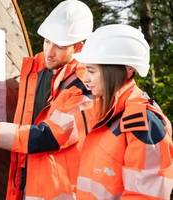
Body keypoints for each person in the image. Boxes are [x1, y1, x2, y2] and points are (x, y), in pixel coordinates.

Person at [0, 0, 94, 199]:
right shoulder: (37, 69)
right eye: (47, 41)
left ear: (78, 47)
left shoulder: (85, 86)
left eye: (59, 46)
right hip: (27, 181)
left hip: (59, 191)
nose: (49, 51)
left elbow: (48, 136)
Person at [73, 24, 173, 199]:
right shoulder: (103, 113)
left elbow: (145, 196)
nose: (85, 79)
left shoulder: (142, 123)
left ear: (123, 71)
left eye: (91, 71)